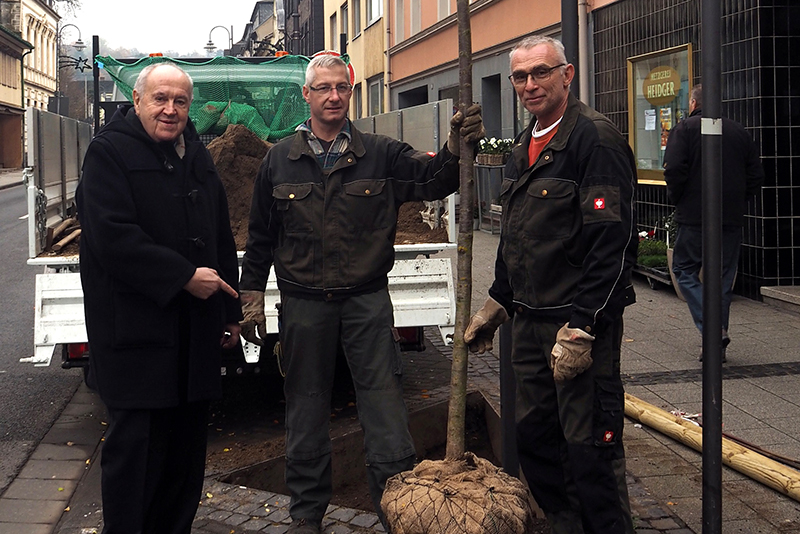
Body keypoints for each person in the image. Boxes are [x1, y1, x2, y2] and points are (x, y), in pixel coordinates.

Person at [239, 53, 484, 534]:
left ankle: (393, 507)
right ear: (306, 96)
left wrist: (455, 147)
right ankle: (307, 514)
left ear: (350, 94)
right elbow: (261, 234)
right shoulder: (279, 160)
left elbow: (435, 180)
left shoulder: (381, 154)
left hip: (366, 303)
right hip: (303, 305)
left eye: (341, 88)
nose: (333, 96)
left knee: (385, 408)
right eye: (323, 88)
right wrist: (250, 294)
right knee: (305, 407)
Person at [464, 35, 638, 534]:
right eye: (519, 76)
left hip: (576, 328)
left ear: (567, 75)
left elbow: (613, 247)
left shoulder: (594, 140)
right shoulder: (526, 142)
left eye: (540, 72)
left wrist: (582, 328)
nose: (528, 84)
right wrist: (497, 302)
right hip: (530, 325)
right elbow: (516, 233)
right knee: (535, 438)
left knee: (590, 450)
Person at [76, 62, 243, 534]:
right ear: (138, 101)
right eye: (160, 99)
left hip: (194, 335)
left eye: (181, 102)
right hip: (135, 337)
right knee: (137, 458)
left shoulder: (198, 155)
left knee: (184, 459)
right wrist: (184, 276)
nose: (170, 110)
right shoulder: (109, 153)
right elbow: (111, 237)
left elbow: (218, 235)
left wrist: (229, 312)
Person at [663, 84, 763, 362]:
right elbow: (755, 174)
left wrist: (680, 200)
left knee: (684, 269)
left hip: (694, 216)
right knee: (721, 279)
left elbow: (673, 169)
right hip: (730, 218)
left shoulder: (684, 130)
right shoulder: (738, 131)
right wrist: (739, 202)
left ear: (693, 104)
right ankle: (715, 343)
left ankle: (712, 330)